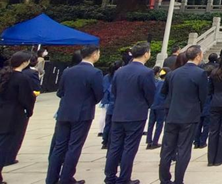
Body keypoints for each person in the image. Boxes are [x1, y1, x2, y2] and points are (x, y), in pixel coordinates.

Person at [46, 45, 104, 184]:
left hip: (65, 111)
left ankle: (51, 179)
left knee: (59, 146)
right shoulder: (95, 73)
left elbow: (60, 92)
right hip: (82, 113)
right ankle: (66, 178)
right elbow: (99, 94)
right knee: (74, 146)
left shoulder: (68, 71)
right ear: (95, 54)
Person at [104, 42, 156, 184]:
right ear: (146, 53)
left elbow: (114, 91)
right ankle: (124, 178)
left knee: (114, 147)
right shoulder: (146, 72)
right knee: (129, 148)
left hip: (118, 113)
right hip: (136, 114)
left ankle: (110, 177)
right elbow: (150, 94)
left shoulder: (120, 71)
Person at [158, 45, 208, 184]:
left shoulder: (173, 73)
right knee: (184, 149)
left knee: (167, 149)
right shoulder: (200, 74)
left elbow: (164, 93)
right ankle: (178, 180)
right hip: (189, 116)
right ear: (198, 56)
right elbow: (203, 96)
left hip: (172, 114)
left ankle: (164, 179)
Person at [0, 52, 34, 184]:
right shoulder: (22, 78)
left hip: (3, 111)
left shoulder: (4, 74)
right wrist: (29, 110)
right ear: (25, 62)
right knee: (4, 147)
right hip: (13, 115)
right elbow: (26, 98)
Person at [147, 67, 168, 149]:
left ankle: (149, 141)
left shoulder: (155, 83)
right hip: (161, 106)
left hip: (153, 105)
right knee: (159, 124)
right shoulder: (165, 84)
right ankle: (155, 141)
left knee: (151, 124)